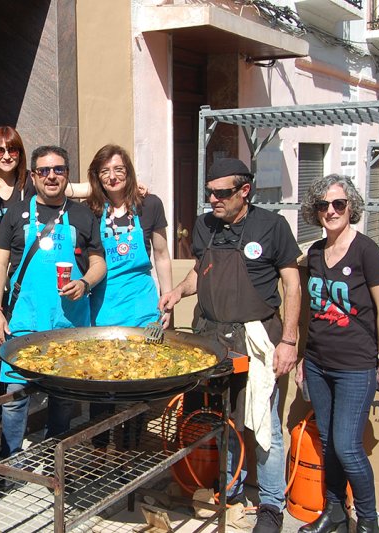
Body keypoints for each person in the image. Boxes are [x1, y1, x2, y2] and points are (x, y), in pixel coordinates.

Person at [159, 158, 301, 533]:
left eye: (221, 193)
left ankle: (271, 505)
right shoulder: (206, 226)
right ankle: (228, 490)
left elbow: (292, 284)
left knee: (262, 422)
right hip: (209, 336)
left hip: (254, 339)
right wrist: (176, 292)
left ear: (245, 191)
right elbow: (199, 271)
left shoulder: (272, 226)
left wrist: (289, 340)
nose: (212, 200)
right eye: (209, 192)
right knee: (218, 418)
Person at [0, 145, 106, 458]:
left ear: (67, 174)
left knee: (64, 398)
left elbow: (99, 263)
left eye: (58, 170)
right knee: (15, 398)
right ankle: (9, 461)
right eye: (43, 171)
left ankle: (56, 459)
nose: (51, 176)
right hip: (24, 320)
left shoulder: (82, 215)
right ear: (32, 176)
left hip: (69, 323)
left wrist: (84, 282)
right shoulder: (16, 212)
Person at [296, 175, 379, 533]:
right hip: (320, 364)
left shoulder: (366, 250)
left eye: (338, 204)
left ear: (351, 207)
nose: (331, 211)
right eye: (323, 205)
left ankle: (368, 523)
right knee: (328, 443)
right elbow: (315, 310)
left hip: (355, 366)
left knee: (347, 447)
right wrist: (304, 359)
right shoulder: (315, 252)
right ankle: (334, 512)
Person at [85, 144, 173, 328]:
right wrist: (93, 187)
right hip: (103, 309)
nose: (112, 177)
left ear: (129, 172)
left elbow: (161, 255)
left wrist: (167, 298)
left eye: (119, 169)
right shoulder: (89, 210)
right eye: (104, 171)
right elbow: (61, 190)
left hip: (143, 308)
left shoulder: (150, 204)